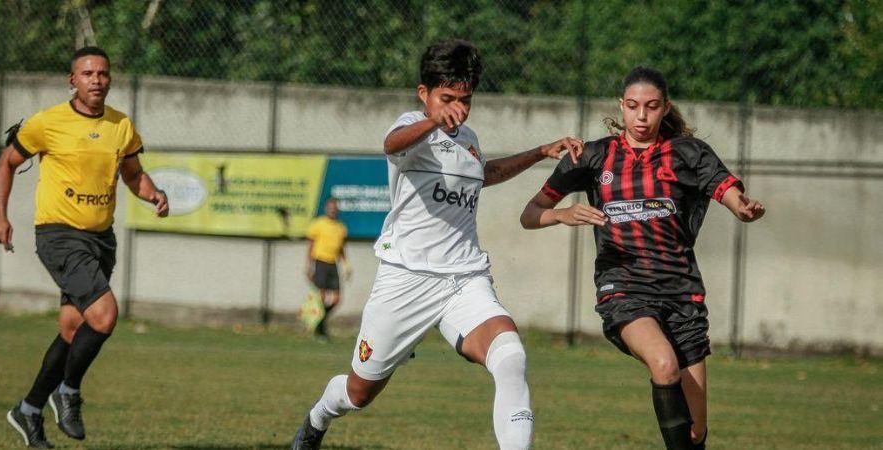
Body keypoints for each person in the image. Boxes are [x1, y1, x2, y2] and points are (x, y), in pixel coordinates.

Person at [290, 39, 583, 450]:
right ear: (423, 93)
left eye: (465, 100)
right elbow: (391, 145)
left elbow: (484, 173)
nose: (458, 109)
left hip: (463, 278)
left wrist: (540, 152)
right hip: (405, 280)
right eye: (448, 98)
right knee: (358, 394)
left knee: (510, 355)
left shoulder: (468, 137)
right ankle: (317, 418)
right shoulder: (412, 127)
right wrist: (434, 120)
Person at [520, 66, 765, 450]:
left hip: (682, 293)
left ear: (665, 108)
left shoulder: (687, 154)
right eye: (633, 106)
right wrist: (561, 215)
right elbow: (530, 213)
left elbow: (725, 189)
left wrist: (741, 207)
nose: (641, 116)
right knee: (663, 365)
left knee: (696, 429)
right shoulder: (593, 156)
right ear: (622, 106)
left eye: (651, 107)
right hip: (624, 288)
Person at [0, 46, 169, 448]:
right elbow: (7, 162)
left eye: (103, 73)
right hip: (59, 235)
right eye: (87, 73)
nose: (96, 80)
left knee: (73, 330)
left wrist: (154, 193)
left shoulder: (121, 126)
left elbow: (133, 174)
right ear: (72, 79)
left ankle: (29, 409)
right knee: (105, 315)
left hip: (100, 239)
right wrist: (1, 216)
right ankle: (67, 392)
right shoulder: (48, 123)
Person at [305, 197, 350, 339]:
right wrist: (308, 265)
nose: (332, 209)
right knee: (322, 297)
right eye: (330, 207)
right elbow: (311, 245)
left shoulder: (341, 228)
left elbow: (341, 249)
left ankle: (320, 323)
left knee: (337, 299)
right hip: (320, 262)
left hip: (333, 263)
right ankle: (321, 329)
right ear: (326, 208)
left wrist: (346, 265)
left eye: (335, 207)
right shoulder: (318, 224)